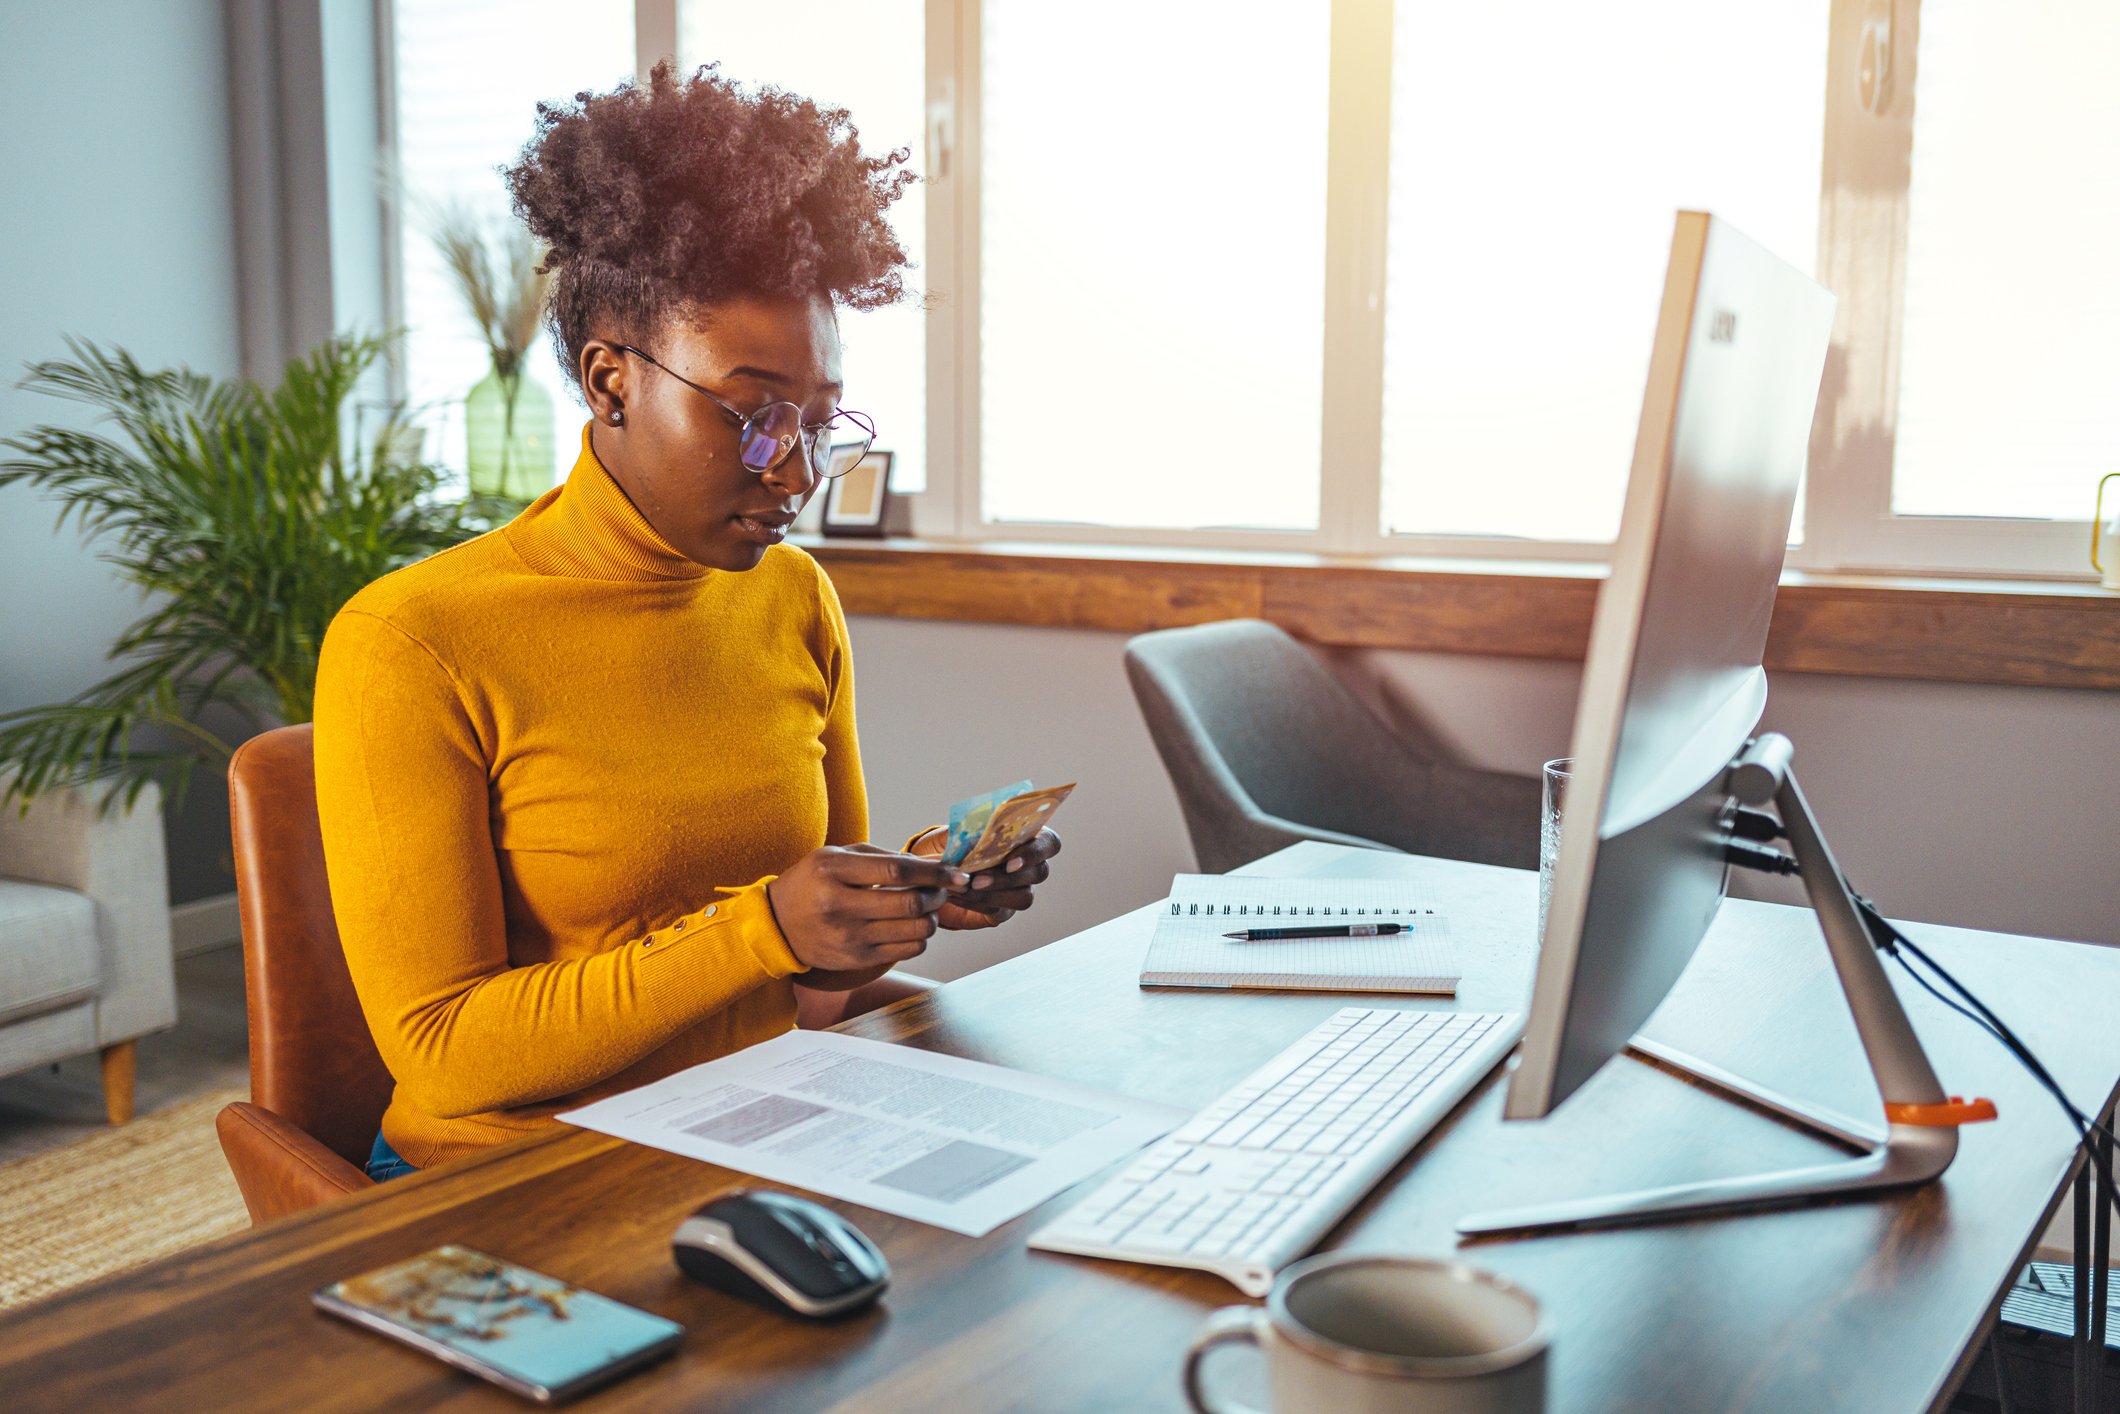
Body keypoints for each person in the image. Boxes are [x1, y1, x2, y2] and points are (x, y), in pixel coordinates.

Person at [315, 63, 1060, 1183]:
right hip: (516, 1176)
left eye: (817, 422)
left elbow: (813, 986)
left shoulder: (790, 594)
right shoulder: (413, 641)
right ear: (608, 379)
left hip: (753, 1125)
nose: (796, 469)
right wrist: (762, 929)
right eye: (756, 416)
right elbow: (443, 1054)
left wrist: (905, 900)